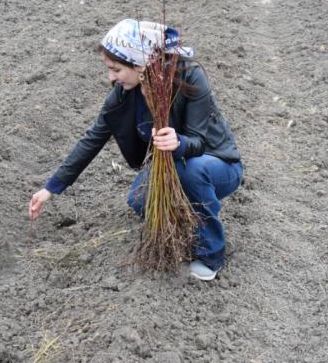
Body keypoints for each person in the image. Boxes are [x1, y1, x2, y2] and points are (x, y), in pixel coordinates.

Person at [29, 19, 243, 280]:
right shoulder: (123, 95)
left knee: (189, 171)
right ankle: (188, 221)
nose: (111, 78)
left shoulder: (189, 76)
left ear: (140, 65)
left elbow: (198, 141)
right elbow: (92, 140)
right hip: (174, 168)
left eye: (116, 69)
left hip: (217, 164)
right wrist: (51, 188)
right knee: (139, 201)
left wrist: (179, 142)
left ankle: (210, 255)